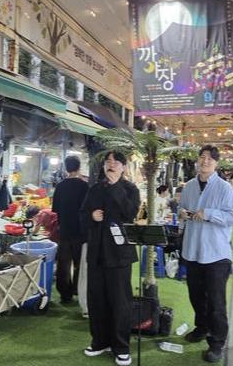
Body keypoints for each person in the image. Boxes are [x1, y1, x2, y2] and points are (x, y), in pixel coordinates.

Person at [179, 145, 233, 363]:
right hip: (192, 250)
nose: (205, 161)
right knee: (196, 296)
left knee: (216, 302)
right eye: (202, 157)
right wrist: (182, 213)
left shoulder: (224, 188)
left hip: (216, 254)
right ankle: (202, 327)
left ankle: (217, 342)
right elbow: (182, 208)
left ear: (216, 163)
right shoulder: (189, 186)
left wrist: (209, 214)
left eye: (210, 159)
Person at [81, 151, 140, 366]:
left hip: (119, 254)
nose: (111, 164)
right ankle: (99, 341)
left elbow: (130, 213)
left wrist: (115, 187)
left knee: (120, 301)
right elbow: (82, 215)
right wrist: (91, 216)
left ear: (123, 167)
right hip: (97, 252)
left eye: (116, 162)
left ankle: (121, 347)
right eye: (108, 161)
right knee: (96, 299)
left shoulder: (130, 189)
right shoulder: (95, 188)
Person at [52, 156, 89, 304]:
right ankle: (77, 289)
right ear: (79, 168)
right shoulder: (84, 186)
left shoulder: (60, 186)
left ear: (66, 168)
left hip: (65, 229)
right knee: (80, 263)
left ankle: (64, 294)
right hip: (80, 231)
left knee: (63, 263)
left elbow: (55, 209)